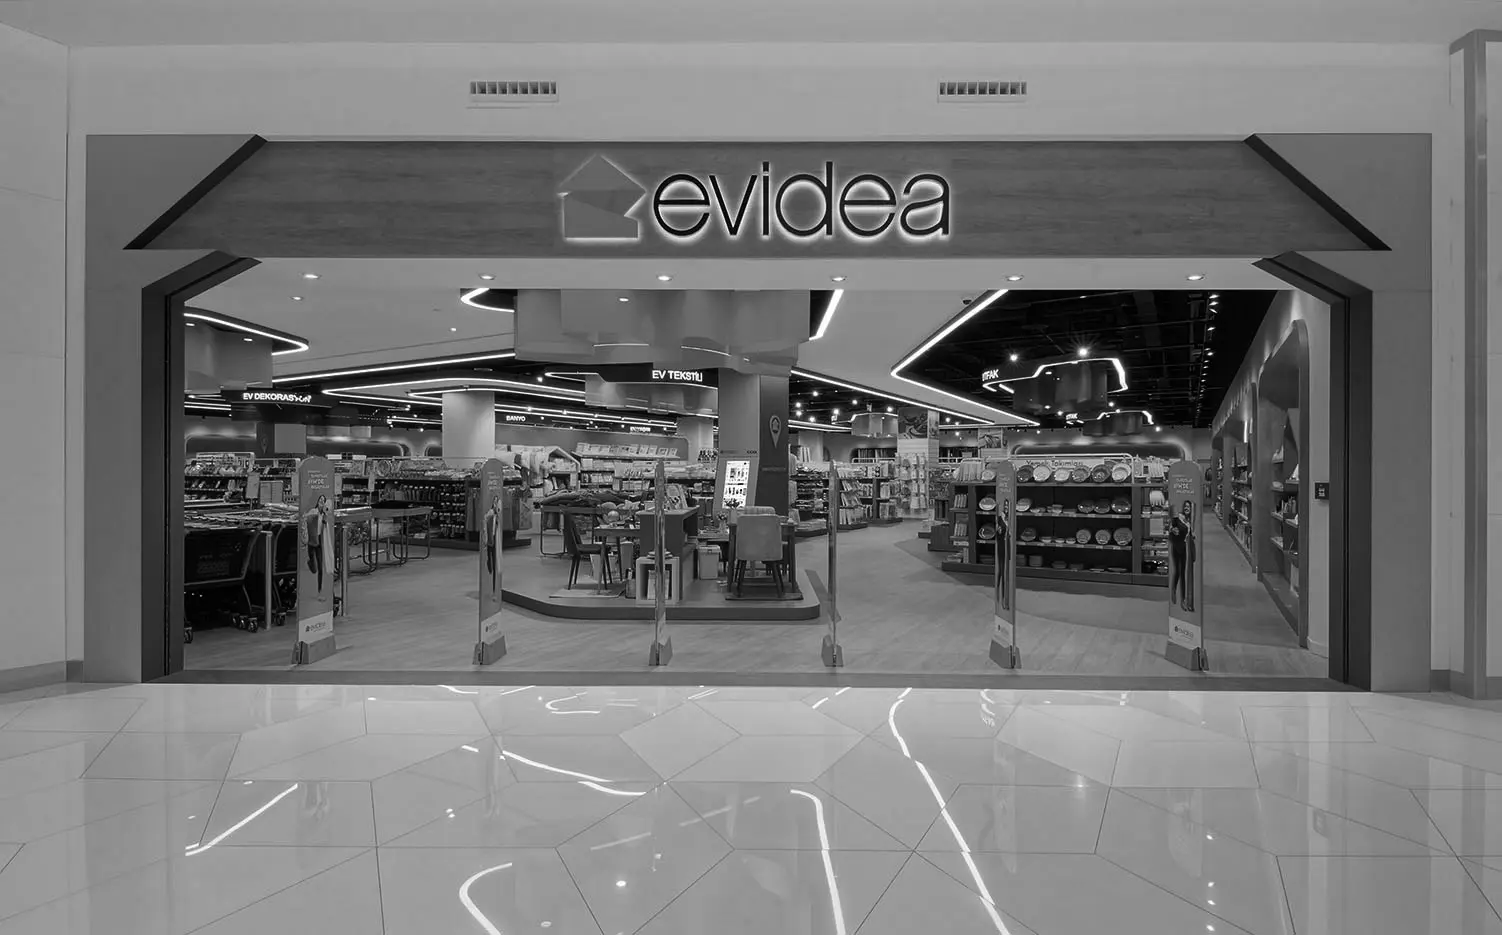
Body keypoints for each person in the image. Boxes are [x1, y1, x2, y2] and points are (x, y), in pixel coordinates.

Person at [301, 494, 332, 594]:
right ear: (317, 501)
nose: (322, 501)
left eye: (323, 500)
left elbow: (325, 525)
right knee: (314, 569)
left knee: (320, 568)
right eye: (320, 499)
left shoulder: (324, 514)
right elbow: (305, 518)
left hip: (319, 540)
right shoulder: (313, 511)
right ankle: (310, 563)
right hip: (311, 540)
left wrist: (325, 515)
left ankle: (319, 589)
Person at [1169, 499, 1196, 612]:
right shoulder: (1178, 517)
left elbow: (1190, 535)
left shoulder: (1189, 523)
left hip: (1184, 548)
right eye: (1185, 506)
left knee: (1183, 573)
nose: (1186, 508)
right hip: (1176, 547)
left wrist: (1192, 535)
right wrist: (1172, 530)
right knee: (1178, 571)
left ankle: (1183, 600)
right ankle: (1174, 589)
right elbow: (1171, 528)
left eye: (1188, 507)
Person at [484, 493, 503, 594]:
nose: (496, 504)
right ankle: (491, 587)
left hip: (496, 540)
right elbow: (485, 522)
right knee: (490, 559)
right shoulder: (490, 513)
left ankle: (494, 589)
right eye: (494, 502)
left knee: (495, 561)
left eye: (497, 502)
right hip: (490, 540)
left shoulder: (497, 515)